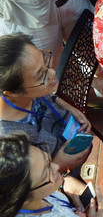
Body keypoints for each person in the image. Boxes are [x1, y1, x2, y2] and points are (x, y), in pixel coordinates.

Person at [0, 34, 92, 197]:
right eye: (41, 76)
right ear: (12, 93)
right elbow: (26, 190)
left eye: (45, 59)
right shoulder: (7, 141)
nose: (51, 73)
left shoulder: (30, 87)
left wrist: (65, 105)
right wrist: (58, 165)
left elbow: (48, 94)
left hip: (69, 140)